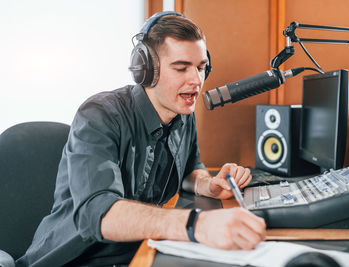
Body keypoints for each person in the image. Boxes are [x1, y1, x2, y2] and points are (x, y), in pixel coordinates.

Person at [17, 11, 266, 267]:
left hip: (136, 253)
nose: (196, 80)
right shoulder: (99, 115)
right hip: (73, 259)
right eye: (181, 68)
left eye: (201, 67)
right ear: (147, 70)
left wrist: (209, 184)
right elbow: (99, 214)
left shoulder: (183, 113)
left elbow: (191, 169)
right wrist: (195, 224)